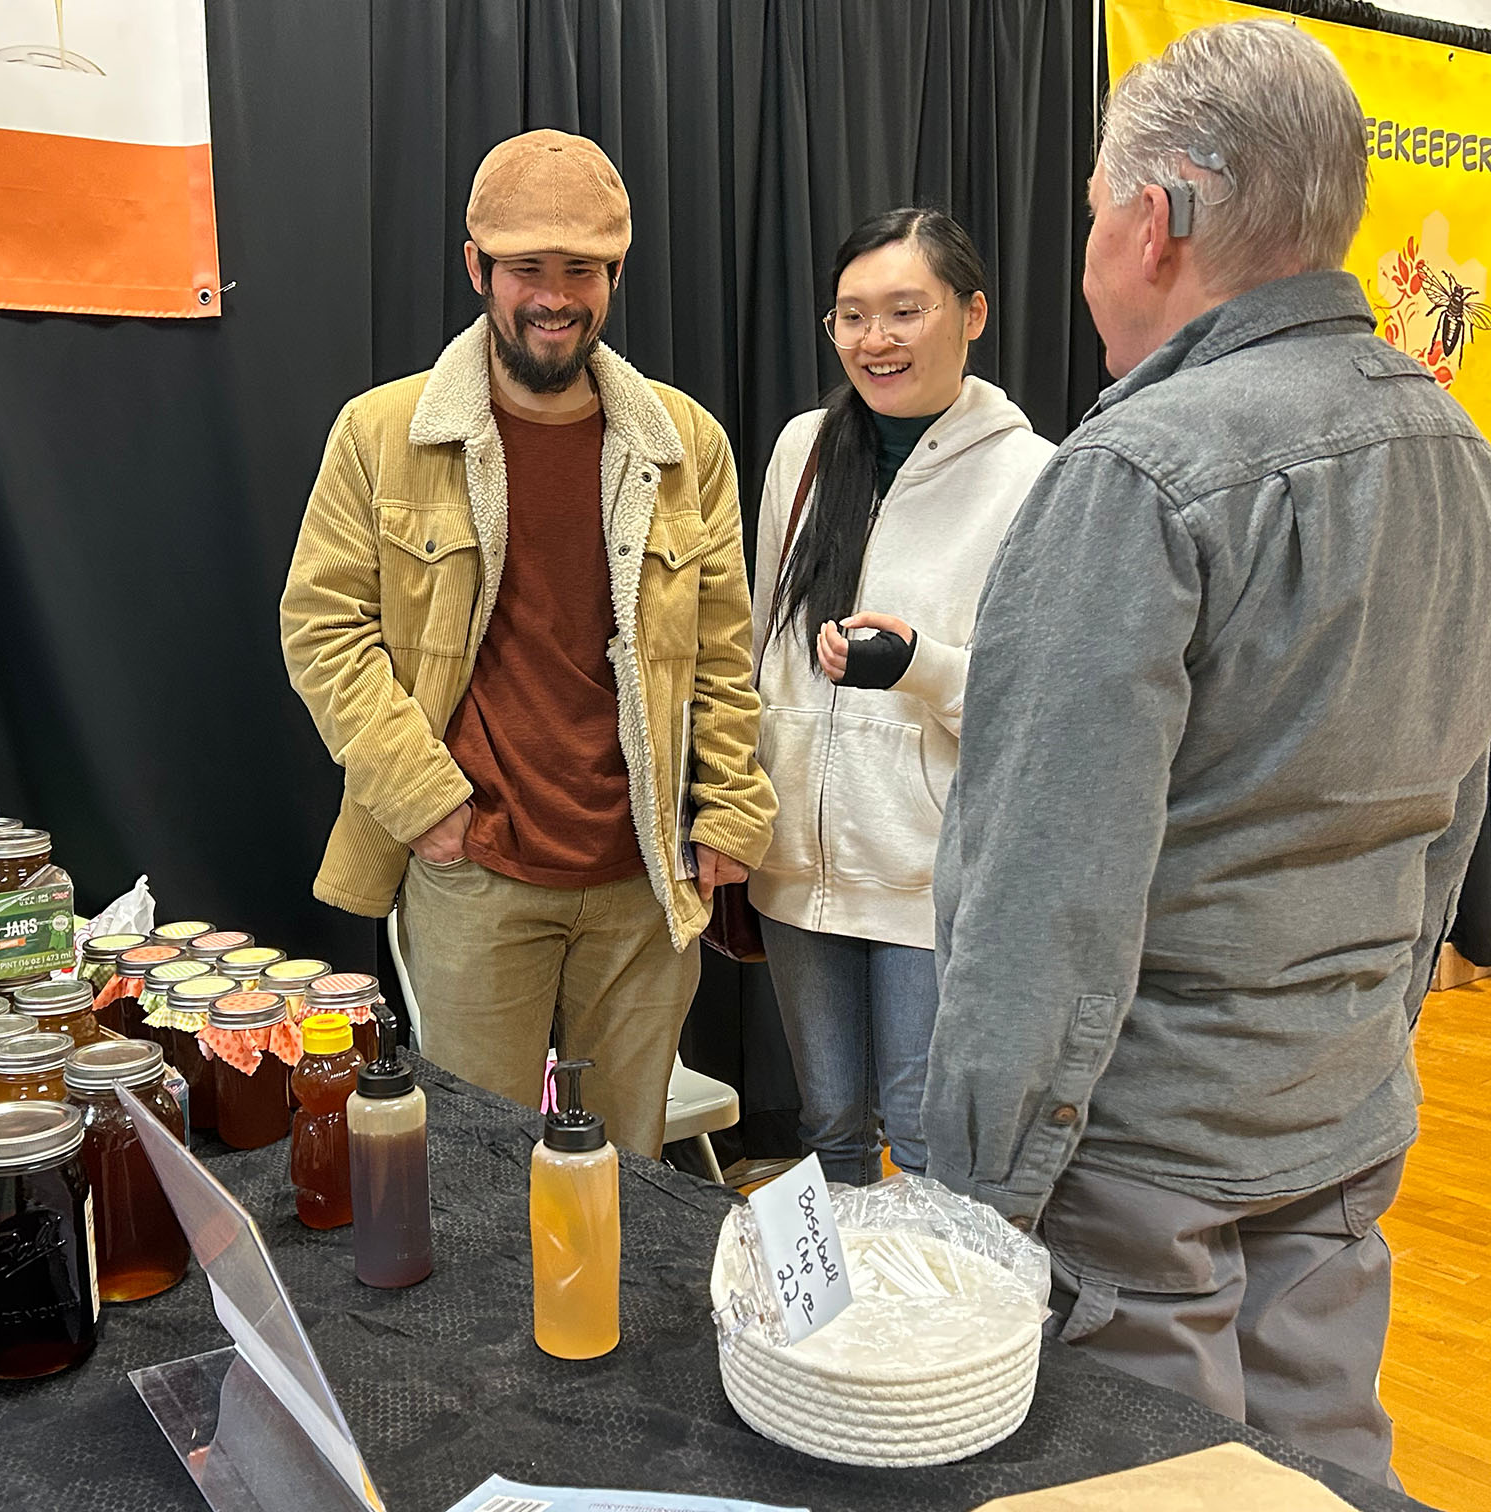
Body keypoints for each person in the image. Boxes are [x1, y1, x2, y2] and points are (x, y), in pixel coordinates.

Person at [922, 19, 1491, 1485]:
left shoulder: (1132, 480)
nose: (1093, 250)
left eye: (1100, 214)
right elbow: (1456, 808)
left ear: (1153, 219)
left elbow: (1046, 880)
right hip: (1342, 1105)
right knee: (1320, 1470)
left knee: (1147, 1481)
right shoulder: (1456, 452)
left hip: (1144, 1156)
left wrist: (974, 1199)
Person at [281, 129, 775, 1159]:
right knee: (479, 1173)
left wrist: (731, 801)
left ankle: (613, 1327)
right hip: (478, 879)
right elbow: (322, 630)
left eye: (581, 271)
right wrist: (427, 804)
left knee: (628, 1171)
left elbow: (727, 652)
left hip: (644, 885)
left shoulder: (686, 446)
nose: (555, 297)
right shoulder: (382, 433)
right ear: (477, 270)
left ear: (614, 275)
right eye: (526, 270)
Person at [748, 208, 1054, 1186]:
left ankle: (937, 1337)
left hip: (931, 878)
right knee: (830, 1130)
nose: (873, 340)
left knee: (925, 1147)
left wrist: (920, 664)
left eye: (903, 311)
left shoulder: (1030, 478)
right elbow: (763, 653)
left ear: (972, 313)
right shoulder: (802, 454)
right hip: (798, 869)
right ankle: (840, 1340)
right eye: (850, 316)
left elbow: (1036, 703)